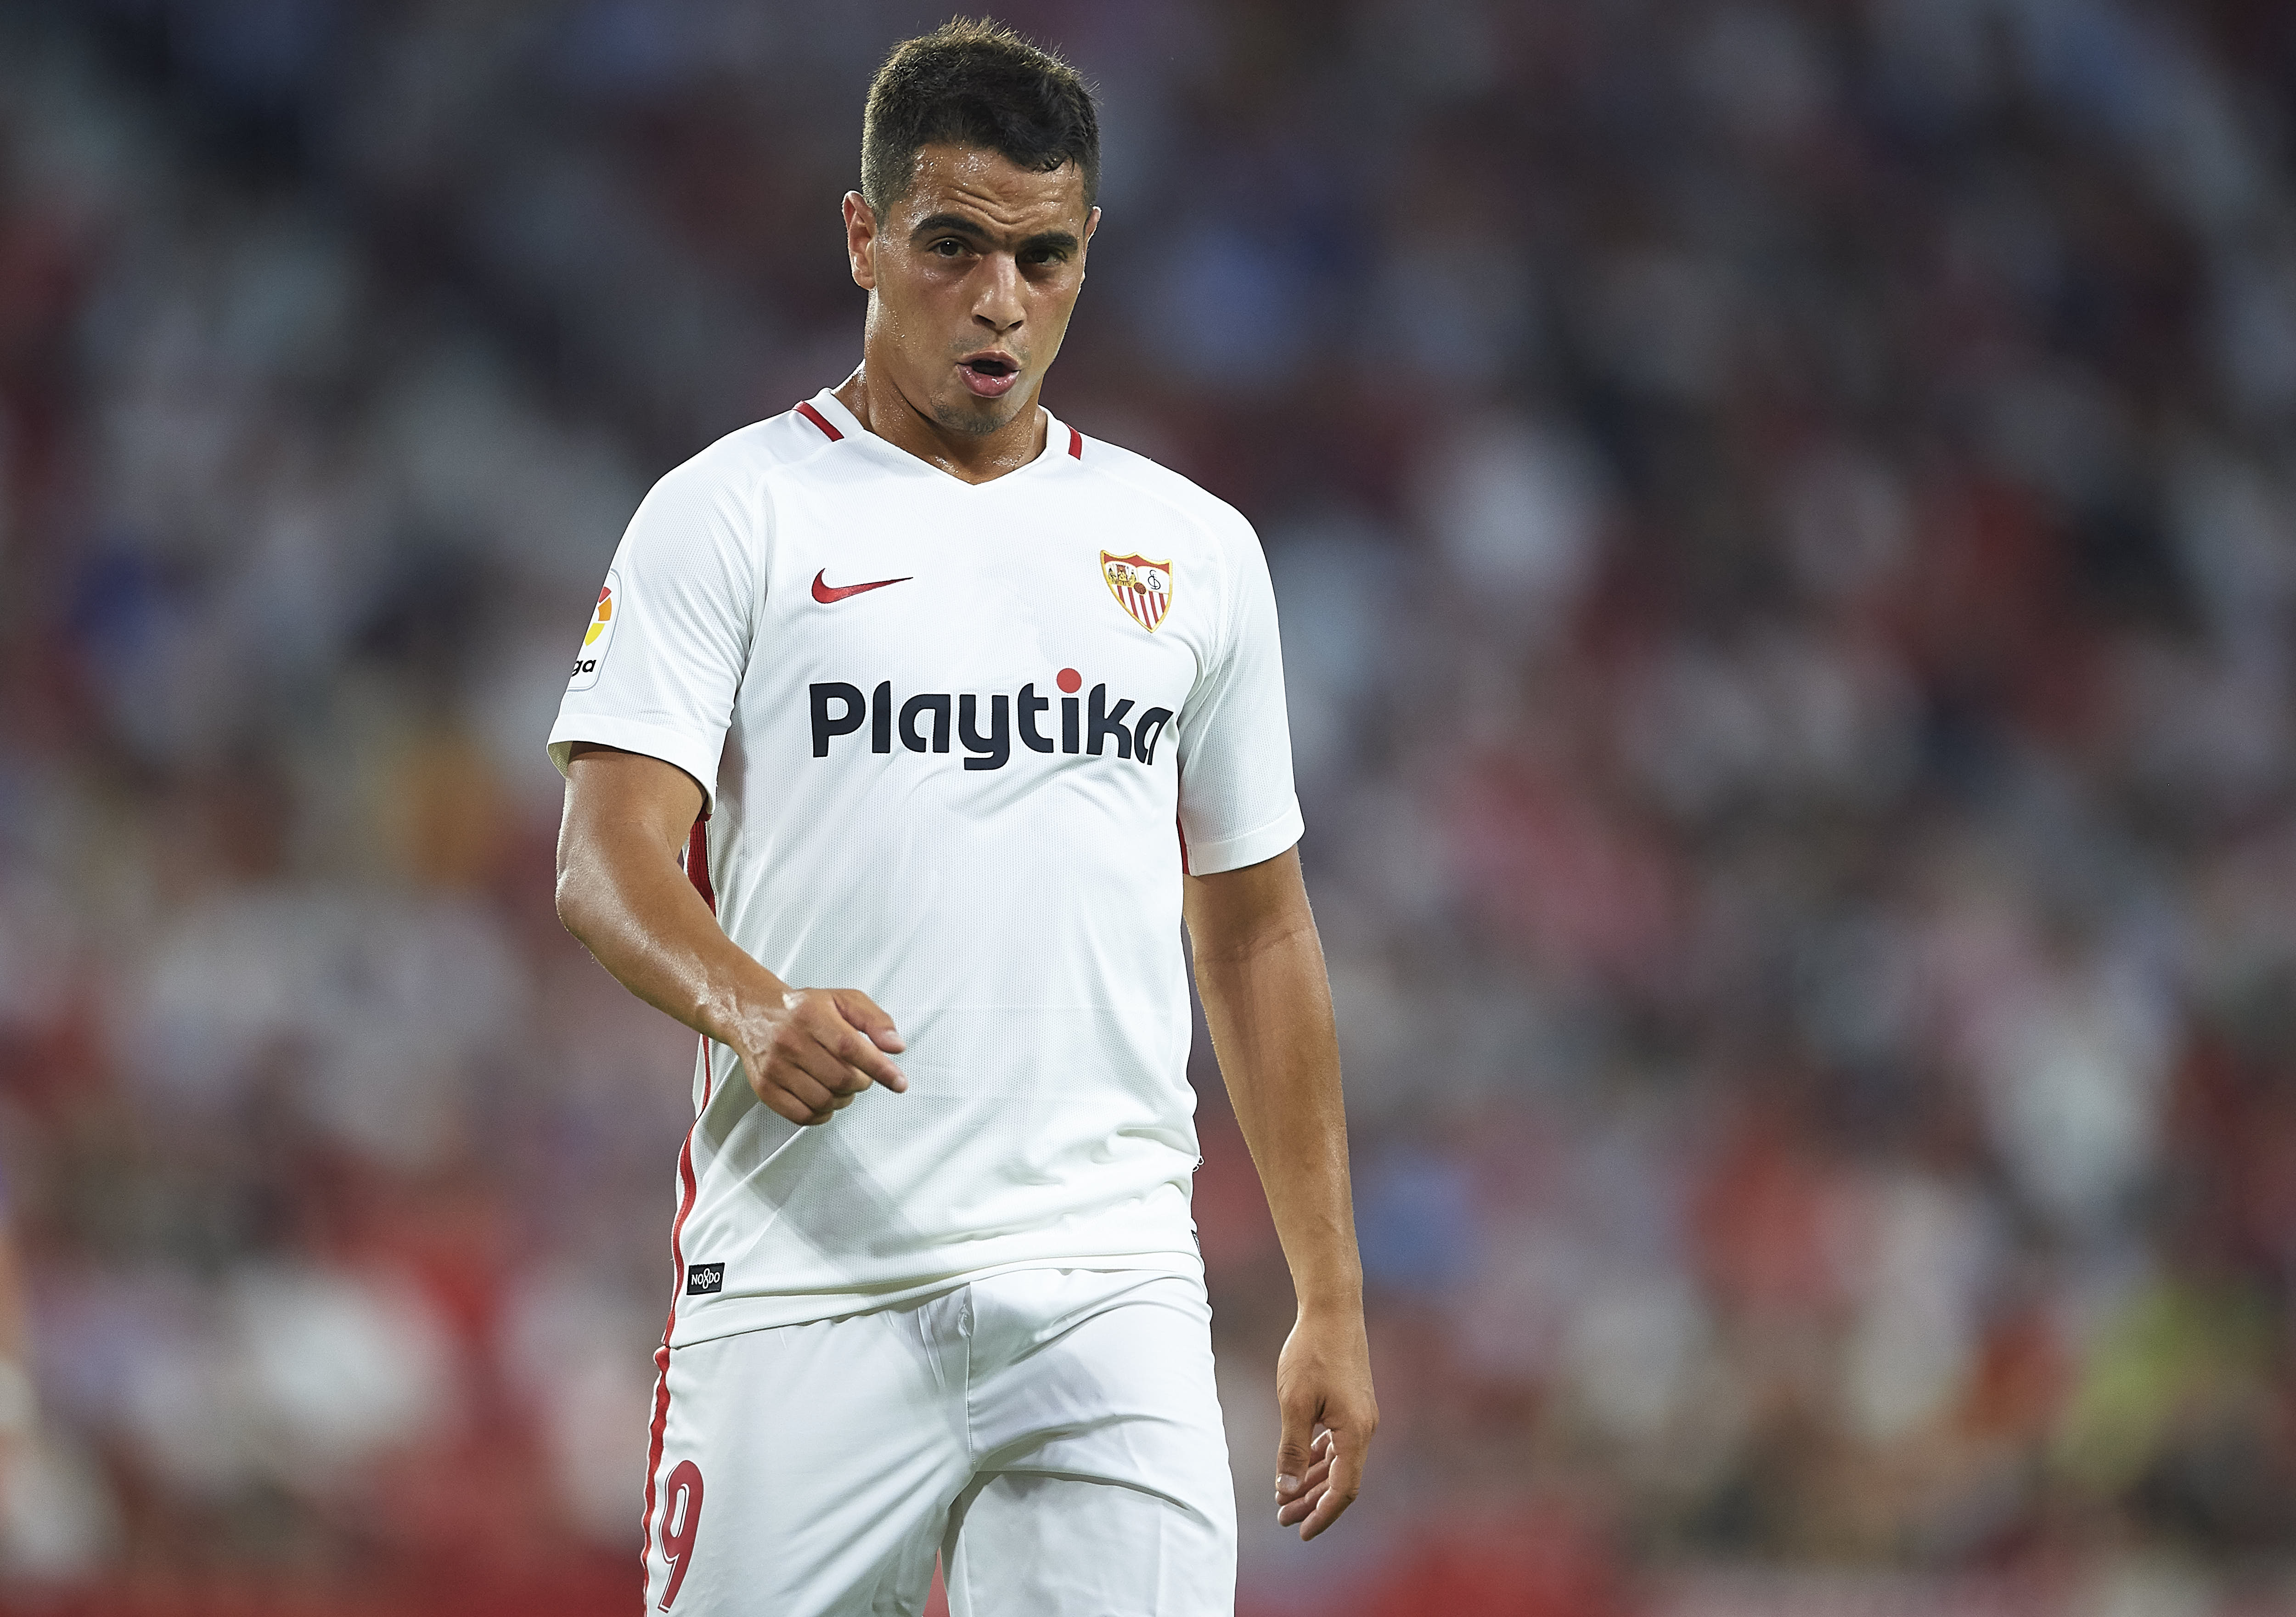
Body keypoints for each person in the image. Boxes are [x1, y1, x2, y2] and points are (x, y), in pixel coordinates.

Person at [549, 20, 1374, 1615]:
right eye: (955, 246)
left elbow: (1258, 928)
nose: (1001, 299)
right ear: (863, 236)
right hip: (809, 1279)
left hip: (1111, 1287)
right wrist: (754, 1003)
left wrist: (1329, 1297)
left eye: (1044, 256)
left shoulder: (1193, 551)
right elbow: (604, 855)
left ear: (1087, 257)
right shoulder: (733, 513)